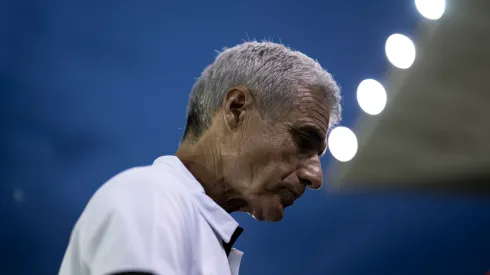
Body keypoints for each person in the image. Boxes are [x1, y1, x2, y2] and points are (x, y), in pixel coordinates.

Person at [59, 41, 342, 275]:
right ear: (236, 109)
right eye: (304, 141)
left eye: (318, 155)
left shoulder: (189, 222)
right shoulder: (151, 195)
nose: (315, 176)